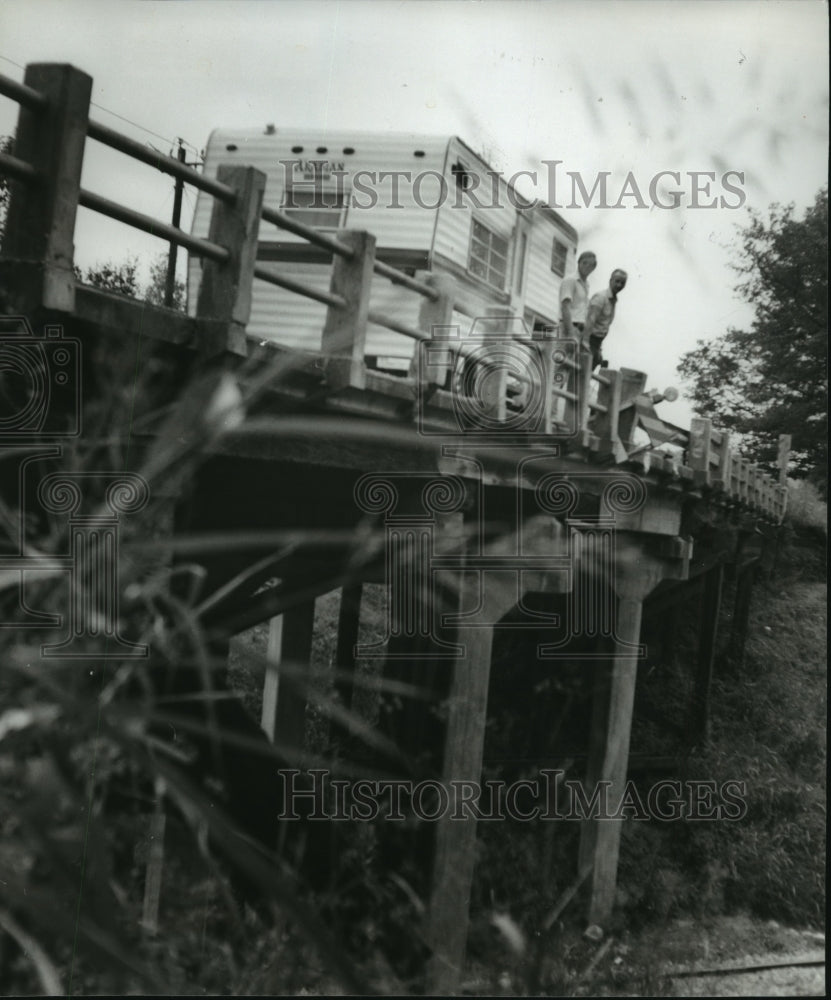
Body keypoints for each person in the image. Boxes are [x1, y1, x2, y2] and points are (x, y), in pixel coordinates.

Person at [583, 268, 627, 370]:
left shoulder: (613, 301)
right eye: (617, 281)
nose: (619, 285)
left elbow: (604, 325)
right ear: (610, 280)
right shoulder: (601, 297)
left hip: (597, 343)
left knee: (588, 374)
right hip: (589, 340)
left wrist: (598, 349)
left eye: (622, 283)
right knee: (579, 375)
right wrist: (585, 343)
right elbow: (590, 320)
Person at [559, 250, 597, 341]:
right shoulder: (570, 280)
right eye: (584, 263)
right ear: (579, 262)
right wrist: (571, 332)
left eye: (590, 264)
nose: (586, 266)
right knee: (563, 354)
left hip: (580, 328)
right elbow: (565, 307)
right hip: (568, 327)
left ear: (593, 268)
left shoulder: (586, 285)